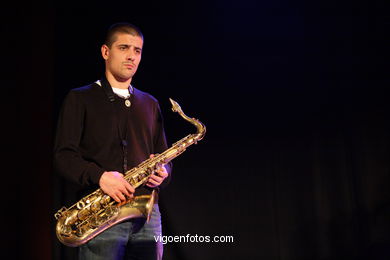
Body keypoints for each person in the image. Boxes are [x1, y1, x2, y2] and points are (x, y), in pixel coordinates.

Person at [54, 22, 171, 260]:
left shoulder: (150, 103)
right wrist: (100, 176)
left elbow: (164, 156)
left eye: (137, 50)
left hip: (147, 215)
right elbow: (63, 156)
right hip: (101, 213)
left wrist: (164, 171)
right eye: (124, 48)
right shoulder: (80, 98)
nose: (131, 56)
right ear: (106, 52)